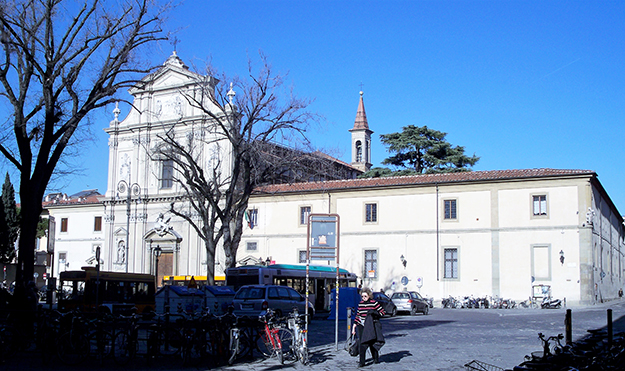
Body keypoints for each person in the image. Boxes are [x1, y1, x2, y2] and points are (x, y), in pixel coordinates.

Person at [352, 287, 385, 367]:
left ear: (369, 296)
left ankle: (375, 358)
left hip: (371, 326)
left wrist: (374, 313)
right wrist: (354, 326)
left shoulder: (374, 303)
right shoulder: (361, 304)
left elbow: (382, 313)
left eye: (365, 296)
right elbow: (358, 315)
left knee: (372, 343)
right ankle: (361, 362)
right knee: (362, 344)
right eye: (362, 296)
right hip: (362, 325)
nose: (364, 298)